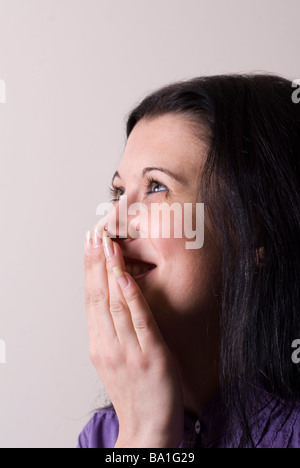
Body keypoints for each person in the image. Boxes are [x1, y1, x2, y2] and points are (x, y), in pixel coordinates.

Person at [78, 74, 300, 448]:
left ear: (254, 233)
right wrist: (144, 434)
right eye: (118, 192)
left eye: (156, 187)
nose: (111, 224)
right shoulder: (106, 437)